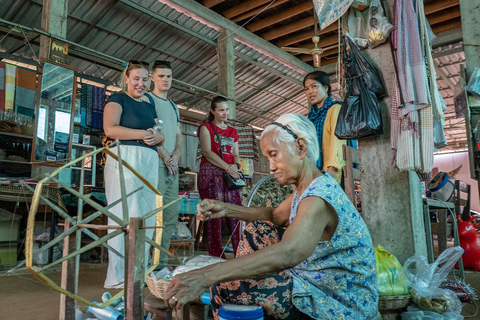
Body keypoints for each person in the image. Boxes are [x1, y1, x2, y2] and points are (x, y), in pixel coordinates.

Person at [165, 113, 378, 319]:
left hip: (339, 300)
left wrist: (205, 276)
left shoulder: (318, 198)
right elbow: (274, 215)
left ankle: (246, 303)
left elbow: (289, 253)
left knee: (225, 286)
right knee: (258, 230)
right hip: (312, 279)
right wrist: (227, 209)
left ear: (301, 147)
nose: (271, 166)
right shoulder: (307, 187)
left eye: (274, 155)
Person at [103, 60, 165, 289]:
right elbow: (110, 129)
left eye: (145, 79)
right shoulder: (118, 99)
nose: (141, 83)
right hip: (124, 157)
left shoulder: (149, 104)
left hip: (148, 159)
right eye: (136, 79)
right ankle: (118, 276)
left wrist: (160, 138)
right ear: (126, 79)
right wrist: (143, 133)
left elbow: (159, 134)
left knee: (146, 215)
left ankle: (139, 271)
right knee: (123, 214)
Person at [146, 60, 183, 265]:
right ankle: (144, 263)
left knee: (170, 217)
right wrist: (164, 154)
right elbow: (148, 133)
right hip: (156, 165)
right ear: (152, 77)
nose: (165, 80)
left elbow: (178, 135)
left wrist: (176, 154)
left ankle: (159, 264)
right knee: (153, 216)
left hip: (172, 167)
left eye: (168, 76)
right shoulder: (147, 100)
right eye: (161, 76)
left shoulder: (173, 106)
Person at [197, 96, 242, 259]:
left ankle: (240, 251)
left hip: (229, 175)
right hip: (211, 173)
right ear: (213, 111)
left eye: (227, 110)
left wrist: (236, 167)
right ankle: (215, 253)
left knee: (236, 212)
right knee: (213, 213)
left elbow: (236, 154)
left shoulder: (233, 131)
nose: (225, 113)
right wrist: (228, 167)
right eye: (221, 110)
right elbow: (207, 152)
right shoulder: (205, 127)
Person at [304, 71, 346, 183]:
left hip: (332, 171)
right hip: (315, 172)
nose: (310, 92)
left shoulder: (335, 109)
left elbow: (337, 140)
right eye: (306, 88)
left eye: (314, 86)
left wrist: (332, 169)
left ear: (326, 88)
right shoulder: (311, 117)